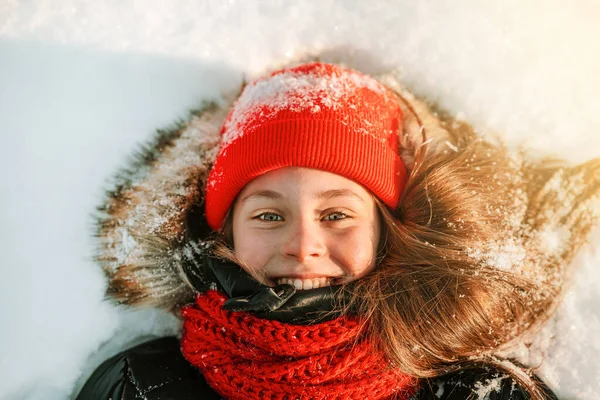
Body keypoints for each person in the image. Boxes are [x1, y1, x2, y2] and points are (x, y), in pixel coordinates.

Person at [77, 61, 600, 399]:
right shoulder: (139, 387)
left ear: (386, 230)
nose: (303, 245)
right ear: (224, 234)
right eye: (267, 215)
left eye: (336, 215)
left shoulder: (480, 395)